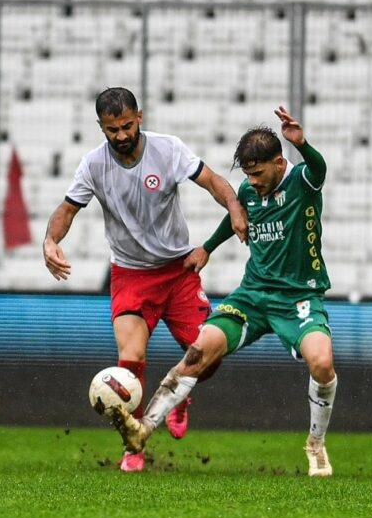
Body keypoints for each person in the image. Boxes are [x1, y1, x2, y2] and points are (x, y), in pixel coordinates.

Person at [106, 107, 339, 478]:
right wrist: (207, 248)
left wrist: (304, 144)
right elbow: (236, 216)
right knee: (197, 352)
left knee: (323, 364)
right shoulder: (249, 189)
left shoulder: (301, 182)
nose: (253, 182)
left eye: (259, 173)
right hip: (252, 295)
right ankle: (142, 431)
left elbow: (320, 169)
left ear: (279, 163)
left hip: (299, 298)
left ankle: (315, 444)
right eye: (248, 175)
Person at [42, 87, 247, 473]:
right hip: (131, 275)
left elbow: (214, 181)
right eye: (111, 129)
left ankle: (178, 394)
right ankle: (133, 447)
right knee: (130, 359)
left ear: (140, 117)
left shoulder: (167, 150)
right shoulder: (93, 165)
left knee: (208, 355)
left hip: (179, 271)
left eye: (126, 126)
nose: (120, 136)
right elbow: (67, 210)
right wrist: (51, 240)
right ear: (101, 127)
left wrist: (235, 206)